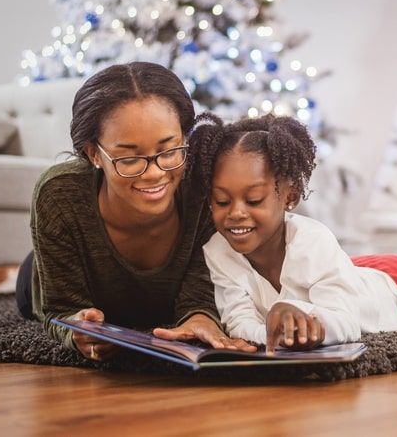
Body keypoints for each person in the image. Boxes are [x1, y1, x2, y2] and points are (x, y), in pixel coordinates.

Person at [189, 113, 397, 353]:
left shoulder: (312, 241)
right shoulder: (218, 250)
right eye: (221, 200)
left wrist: (307, 323)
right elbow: (237, 321)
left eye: (253, 199)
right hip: (352, 270)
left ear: (289, 197)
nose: (235, 212)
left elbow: (346, 324)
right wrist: (275, 330)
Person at [15, 62, 255, 361]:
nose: (154, 173)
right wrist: (76, 329)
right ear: (94, 154)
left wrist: (201, 319)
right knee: (27, 296)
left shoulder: (204, 185)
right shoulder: (60, 195)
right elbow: (60, 308)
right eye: (129, 158)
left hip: (158, 302)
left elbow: (201, 294)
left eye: (169, 151)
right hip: (48, 274)